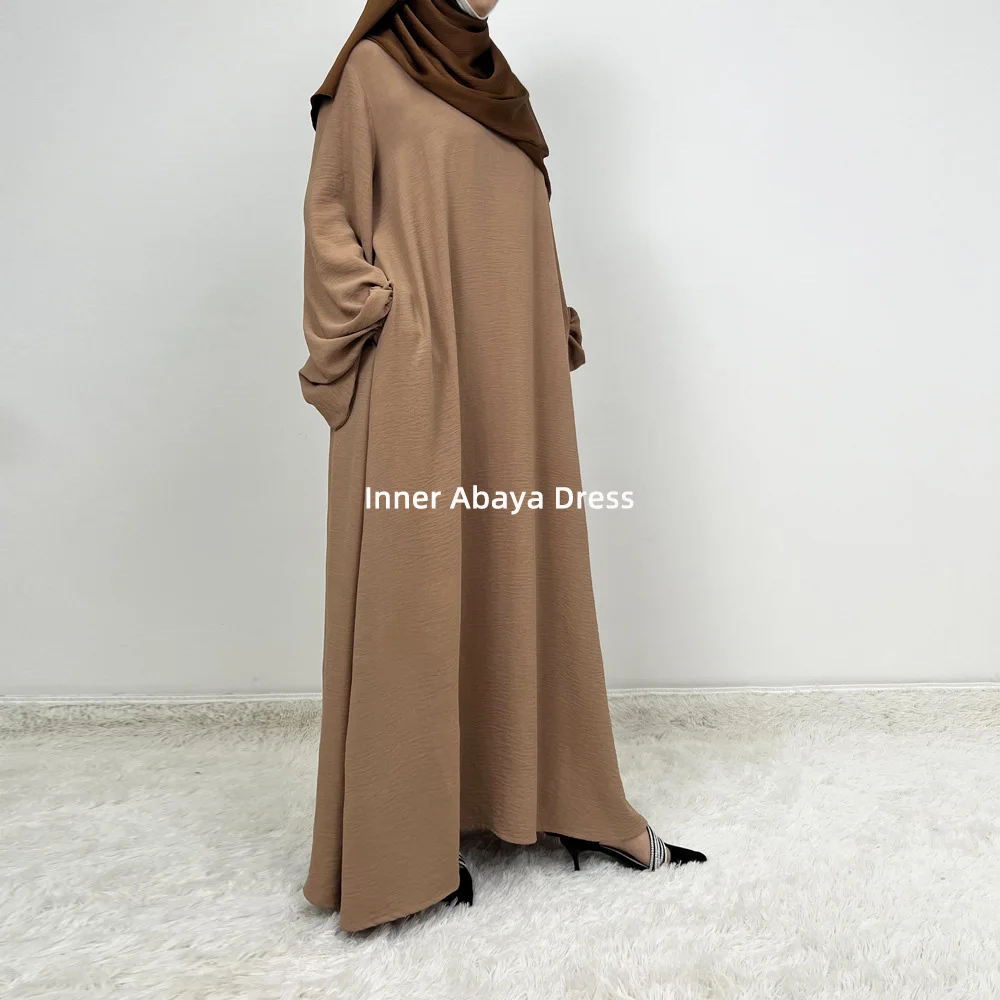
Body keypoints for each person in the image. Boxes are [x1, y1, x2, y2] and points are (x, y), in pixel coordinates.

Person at [296, 0, 706, 933]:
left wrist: (543, 323)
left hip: (514, 382)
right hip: (418, 377)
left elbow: (522, 229)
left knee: (529, 578)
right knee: (413, 594)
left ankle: (569, 801)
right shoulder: (372, 72)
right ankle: (403, 853)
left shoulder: (501, 88)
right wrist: (384, 316)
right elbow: (329, 216)